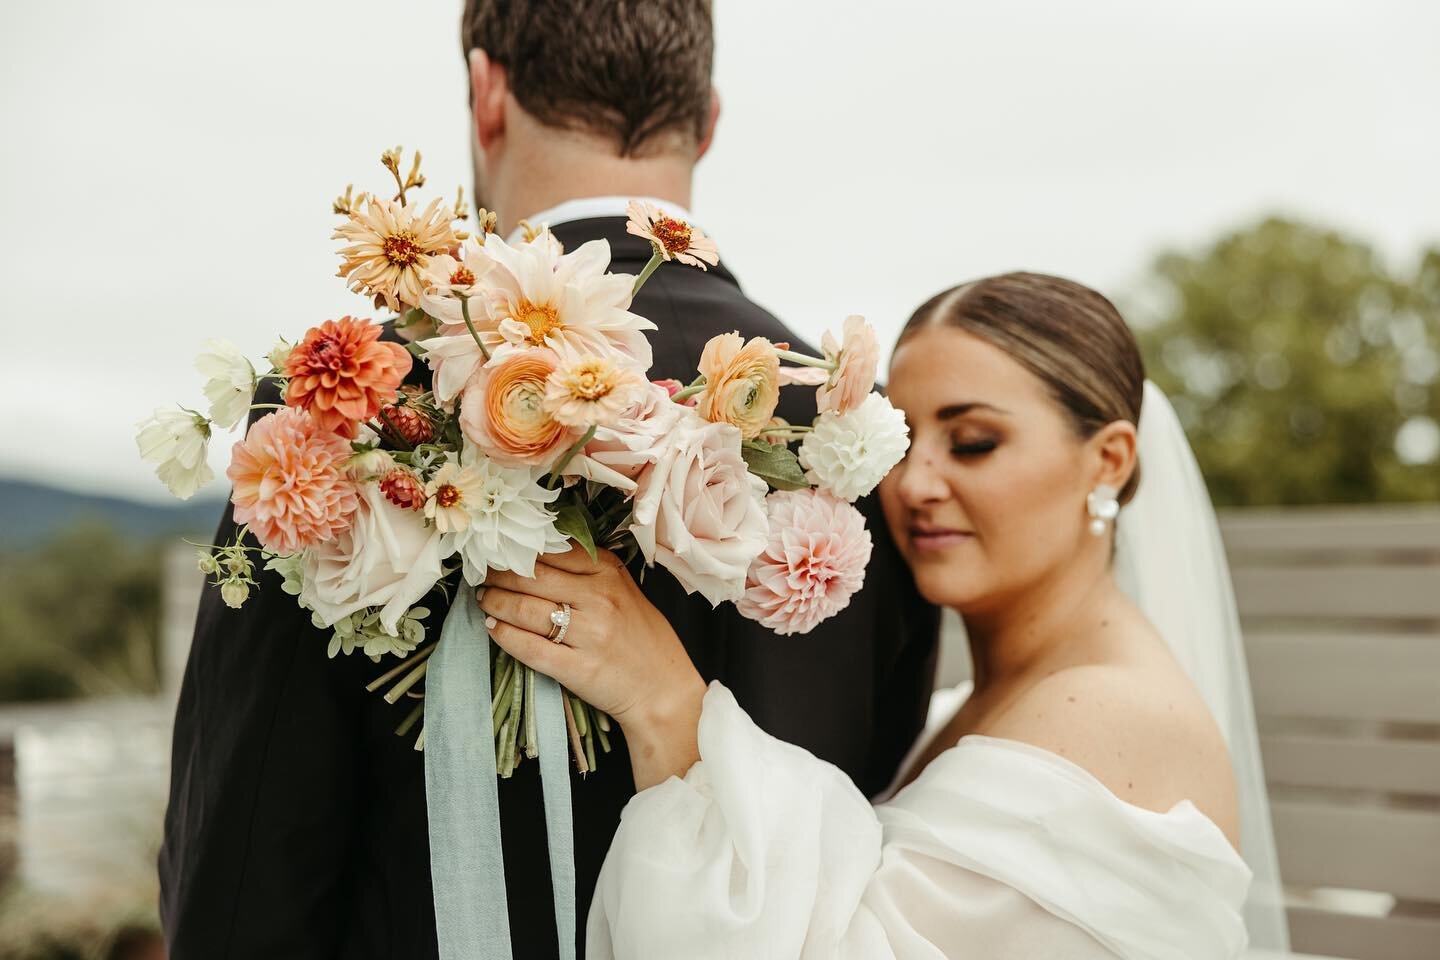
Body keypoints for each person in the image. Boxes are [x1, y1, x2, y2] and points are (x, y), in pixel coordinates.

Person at [156, 2, 938, 957]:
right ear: (710, 117)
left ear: (486, 93)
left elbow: (243, 871)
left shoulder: (344, 410)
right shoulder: (857, 431)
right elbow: (875, 789)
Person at [477, 273, 1291, 958]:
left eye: (972, 442)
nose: (914, 485)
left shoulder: (1115, 714)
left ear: (1108, 460)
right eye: (907, 442)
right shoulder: (976, 705)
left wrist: (666, 702)